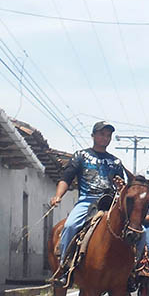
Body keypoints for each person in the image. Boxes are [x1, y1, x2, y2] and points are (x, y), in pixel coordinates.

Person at [49, 121, 126, 287]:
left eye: (108, 135)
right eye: (101, 134)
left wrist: (121, 187)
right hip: (88, 200)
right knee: (69, 226)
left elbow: (122, 187)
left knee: (131, 231)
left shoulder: (116, 162)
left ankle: (133, 271)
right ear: (93, 135)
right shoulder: (81, 156)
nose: (105, 138)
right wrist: (58, 195)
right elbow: (66, 178)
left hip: (111, 202)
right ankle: (64, 268)